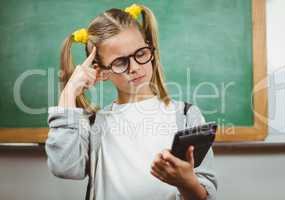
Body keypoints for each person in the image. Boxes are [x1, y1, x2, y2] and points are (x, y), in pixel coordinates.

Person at [45, 4, 217, 200]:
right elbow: (64, 167)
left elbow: (204, 194)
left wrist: (187, 183)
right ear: (101, 71)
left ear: (150, 50)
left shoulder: (185, 116)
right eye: (120, 62)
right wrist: (69, 93)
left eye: (141, 53)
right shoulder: (94, 124)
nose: (134, 67)